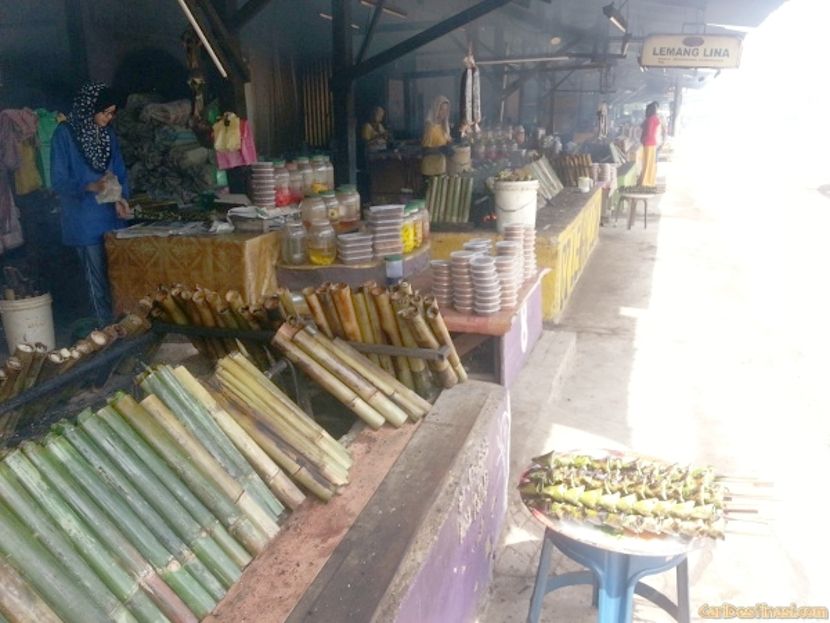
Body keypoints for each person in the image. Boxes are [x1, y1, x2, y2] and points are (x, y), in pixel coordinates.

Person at [51, 82, 130, 327]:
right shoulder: (64, 134)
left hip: (110, 218)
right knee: (96, 281)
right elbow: (58, 180)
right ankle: (105, 332)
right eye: (104, 112)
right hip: (83, 221)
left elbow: (118, 170)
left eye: (111, 114)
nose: (108, 118)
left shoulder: (107, 135)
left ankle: (123, 326)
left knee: (116, 275)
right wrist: (89, 186)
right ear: (89, 107)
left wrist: (122, 198)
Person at [639, 101, 661, 187]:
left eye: (647, 110)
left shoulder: (651, 119)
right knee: (649, 162)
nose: (645, 111)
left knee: (647, 163)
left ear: (650, 110)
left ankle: (645, 182)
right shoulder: (652, 118)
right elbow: (642, 126)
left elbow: (649, 132)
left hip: (649, 143)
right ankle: (648, 180)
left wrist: (642, 139)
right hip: (651, 143)